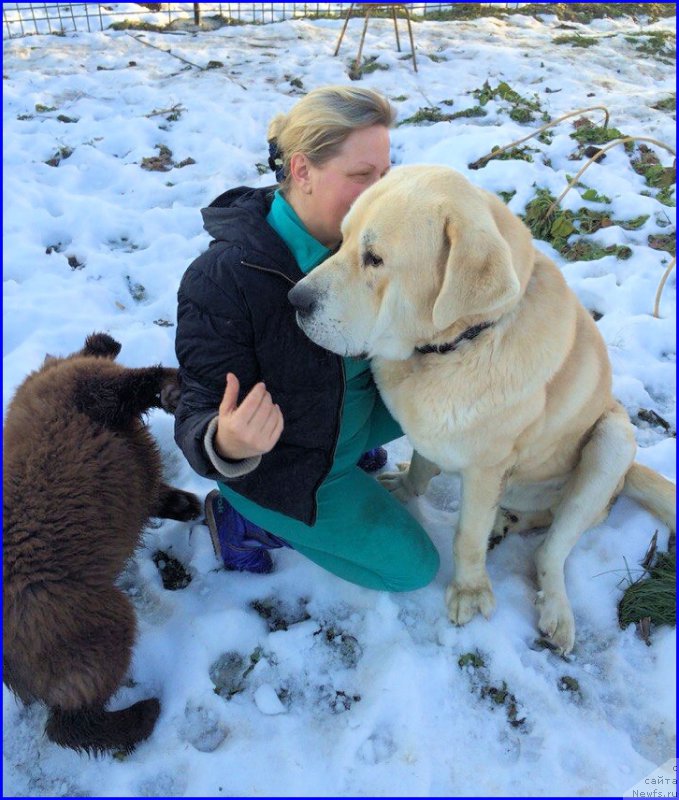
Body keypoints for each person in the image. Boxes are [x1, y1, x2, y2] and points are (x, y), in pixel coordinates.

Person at [174, 85, 439, 591]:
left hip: (348, 413)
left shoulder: (366, 240)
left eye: (385, 176)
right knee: (413, 570)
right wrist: (227, 442)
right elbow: (198, 405)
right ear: (302, 171)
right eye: (362, 176)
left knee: (452, 407)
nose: (380, 195)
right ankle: (242, 519)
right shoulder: (223, 278)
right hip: (287, 465)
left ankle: (354, 449)